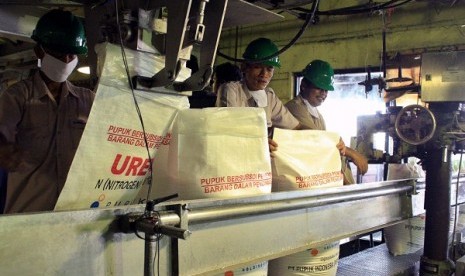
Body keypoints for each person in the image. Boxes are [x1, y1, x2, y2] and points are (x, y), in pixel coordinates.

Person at [0, 9, 95, 213]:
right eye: (58, 53)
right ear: (39, 51)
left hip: (74, 214)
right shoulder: (18, 96)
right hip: (28, 214)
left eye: (71, 54)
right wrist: (4, 150)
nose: (66, 60)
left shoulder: (87, 100)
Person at [285, 59, 368, 184]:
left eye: (326, 90)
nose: (323, 93)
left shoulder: (318, 115)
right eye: (319, 88)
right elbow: (318, 144)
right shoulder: (295, 108)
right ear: (303, 85)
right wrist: (351, 154)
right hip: (299, 179)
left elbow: (326, 149)